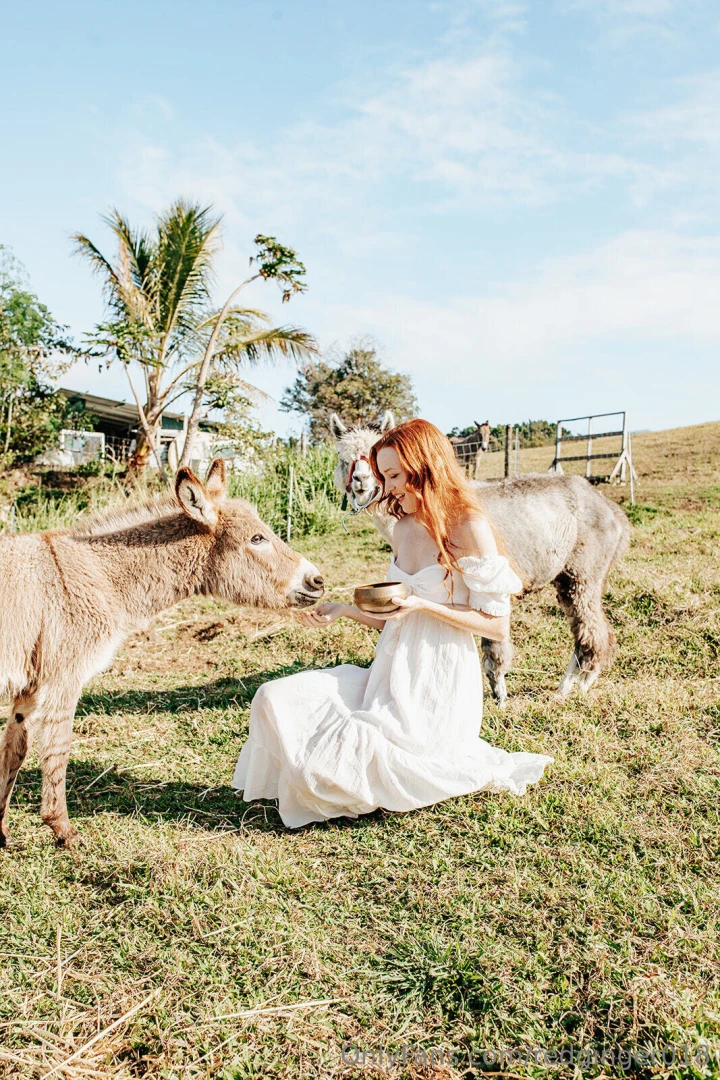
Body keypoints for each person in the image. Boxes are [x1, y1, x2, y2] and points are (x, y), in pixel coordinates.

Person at [232, 419, 552, 828]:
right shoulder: (402, 527)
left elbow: (496, 627)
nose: (389, 485)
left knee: (344, 760)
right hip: (388, 671)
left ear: (425, 465)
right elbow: (392, 619)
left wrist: (423, 606)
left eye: (395, 474)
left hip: (437, 680)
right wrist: (343, 610)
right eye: (384, 475)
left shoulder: (469, 526)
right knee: (273, 697)